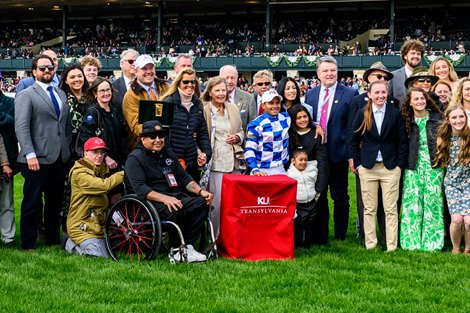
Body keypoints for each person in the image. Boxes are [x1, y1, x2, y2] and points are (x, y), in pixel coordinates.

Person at [125, 120, 213, 262]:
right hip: (150, 202)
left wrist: (200, 191)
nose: (158, 140)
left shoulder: (168, 154)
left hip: (174, 196)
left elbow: (184, 178)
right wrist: (165, 199)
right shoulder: (135, 159)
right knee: (174, 207)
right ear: (143, 139)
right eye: (153, 137)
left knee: (201, 203)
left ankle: (188, 246)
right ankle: (176, 248)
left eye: (161, 136)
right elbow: (140, 189)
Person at [15, 54, 72, 251]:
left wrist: (66, 148)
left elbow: (65, 125)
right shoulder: (26, 94)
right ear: (34, 72)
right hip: (36, 158)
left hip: (58, 158)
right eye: (42, 68)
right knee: (32, 202)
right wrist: (30, 154)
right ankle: (28, 243)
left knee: (54, 202)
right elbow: (21, 127)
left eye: (50, 67)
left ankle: (52, 240)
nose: (47, 71)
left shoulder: (60, 93)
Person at [349, 81, 408, 251]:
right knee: (369, 208)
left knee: (391, 209)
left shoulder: (395, 114)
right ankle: (370, 244)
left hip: (390, 167)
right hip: (368, 167)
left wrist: (399, 165)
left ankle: (391, 245)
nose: (381, 96)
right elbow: (352, 140)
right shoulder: (363, 113)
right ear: (370, 95)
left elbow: (402, 141)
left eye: (383, 92)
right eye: (377, 93)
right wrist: (358, 163)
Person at [304, 56, 358, 242]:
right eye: (325, 71)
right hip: (317, 153)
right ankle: (321, 234)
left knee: (340, 196)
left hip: (338, 152)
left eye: (332, 70)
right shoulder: (310, 94)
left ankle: (341, 235)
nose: (329, 74)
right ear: (318, 74)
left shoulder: (350, 94)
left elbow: (353, 125)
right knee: (319, 195)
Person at [399, 87, 444, 251]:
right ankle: (411, 241)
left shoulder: (437, 118)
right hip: (413, 165)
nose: (420, 101)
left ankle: (433, 242)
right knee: (412, 203)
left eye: (422, 98)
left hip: (434, 164)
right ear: (409, 102)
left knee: (433, 202)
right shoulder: (406, 120)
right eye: (416, 99)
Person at [65, 137, 124, 257]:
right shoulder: (79, 173)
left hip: (97, 225)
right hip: (81, 225)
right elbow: (104, 186)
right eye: (95, 152)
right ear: (85, 153)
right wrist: (122, 174)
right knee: (98, 256)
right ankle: (69, 243)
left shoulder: (99, 169)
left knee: (112, 253)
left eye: (102, 152)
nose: (99, 156)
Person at [201, 76, 244, 238]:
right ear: (210, 92)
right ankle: (215, 239)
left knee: (235, 203)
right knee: (217, 204)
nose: (221, 94)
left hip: (234, 162)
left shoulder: (232, 108)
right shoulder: (205, 110)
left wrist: (238, 138)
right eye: (217, 90)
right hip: (216, 163)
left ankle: (234, 237)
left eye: (223, 90)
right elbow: (201, 136)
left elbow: (241, 130)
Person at [287, 105, 329, 246]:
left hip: (313, 176)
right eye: (298, 118)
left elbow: (322, 162)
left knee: (317, 211)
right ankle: (296, 239)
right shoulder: (289, 135)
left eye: (305, 116)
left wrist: (320, 187)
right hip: (295, 179)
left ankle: (317, 239)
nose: (302, 120)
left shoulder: (316, 134)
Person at [160, 68, 211, 181]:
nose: (190, 85)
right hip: (171, 163)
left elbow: (203, 134)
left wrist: (205, 155)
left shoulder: (197, 105)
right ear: (178, 83)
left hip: (191, 163)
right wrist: (174, 159)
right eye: (185, 82)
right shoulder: (167, 103)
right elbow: (162, 136)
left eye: (192, 82)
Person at [434, 104, 470, 255]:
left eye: (461, 116)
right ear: (448, 120)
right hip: (452, 184)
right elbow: (440, 162)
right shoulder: (443, 139)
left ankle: (468, 248)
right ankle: (455, 247)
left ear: (466, 118)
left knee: (468, 221)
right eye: (454, 117)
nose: (458, 120)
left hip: (469, 183)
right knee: (456, 220)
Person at [123, 54, 169, 150]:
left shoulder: (165, 87)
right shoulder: (131, 95)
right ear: (136, 71)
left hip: (168, 142)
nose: (148, 71)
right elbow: (136, 126)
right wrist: (156, 134)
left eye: (151, 68)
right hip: (143, 146)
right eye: (144, 68)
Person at [80, 77, 127, 169]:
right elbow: (87, 138)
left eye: (108, 90)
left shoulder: (114, 111)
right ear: (95, 93)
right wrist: (105, 157)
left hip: (117, 162)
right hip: (101, 164)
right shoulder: (92, 112)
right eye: (102, 91)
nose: (106, 93)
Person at [244, 89, 290, 176]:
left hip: (281, 169)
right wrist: (254, 169)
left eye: (277, 102)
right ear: (263, 105)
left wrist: (316, 126)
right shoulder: (256, 124)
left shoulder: (286, 118)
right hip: (261, 169)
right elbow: (249, 149)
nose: (275, 106)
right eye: (271, 103)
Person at [287, 149, 319, 247]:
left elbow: (315, 181)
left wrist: (316, 196)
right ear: (293, 161)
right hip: (298, 203)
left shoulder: (312, 171)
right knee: (299, 223)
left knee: (311, 222)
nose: (303, 162)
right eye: (300, 160)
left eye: (305, 160)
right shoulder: (290, 174)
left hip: (311, 201)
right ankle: (298, 242)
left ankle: (308, 243)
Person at [59, 64, 89, 159]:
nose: (77, 79)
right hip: (69, 147)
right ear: (66, 81)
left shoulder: (91, 98)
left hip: (90, 144)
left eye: (80, 76)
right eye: (72, 77)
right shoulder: (62, 100)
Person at [0, 85, 16, 246]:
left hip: (7, 155)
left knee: (6, 201)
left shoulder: (9, 102)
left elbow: (12, 121)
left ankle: (8, 237)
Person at [219, 65, 256, 132]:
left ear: (237, 79)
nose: (229, 81)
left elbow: (252, 125)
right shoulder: (210, 98)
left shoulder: (249, 98)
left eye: (233, 78)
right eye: (226, 78)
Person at [112, 49, 140, 114]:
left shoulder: (146, 85)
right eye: (131, 61)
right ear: (122, 63)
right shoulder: (113, 86)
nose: (134, 64)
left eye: (136, 62)